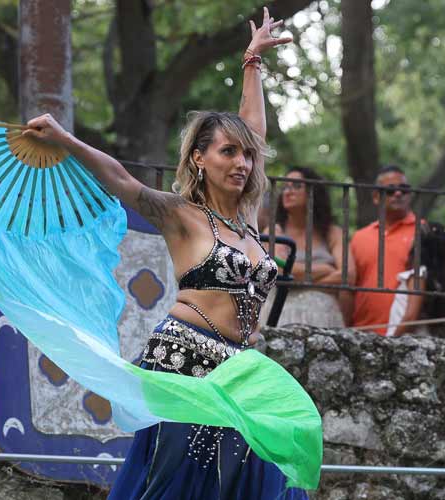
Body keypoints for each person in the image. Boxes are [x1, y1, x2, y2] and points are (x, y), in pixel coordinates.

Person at [24, 9, 308, 499]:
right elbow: (120, 179)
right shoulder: (181, 215)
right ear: (199, 158)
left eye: (245, 155)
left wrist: (252, 63)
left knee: (255, 475)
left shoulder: (248, 216)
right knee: (176, 481)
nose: (242, 162)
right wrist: (65, 140)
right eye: (227, 152)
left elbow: (255, 132)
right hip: (184, 358)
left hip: (240, 367)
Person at [342, 165, 416, 334]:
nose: (398, 193)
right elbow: (348, 288)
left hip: (407, 334)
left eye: (404, 189)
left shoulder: (423, 232)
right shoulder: (359, 237)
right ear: (376, 197)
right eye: (390, 190)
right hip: (361, 331)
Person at [267, 166, 345, 327]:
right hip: (281, 312)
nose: (288, 192)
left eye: (296, 186)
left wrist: (297, 282)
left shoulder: (332, 232)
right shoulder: (274, 231)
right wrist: (326, 269)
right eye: (285, 187)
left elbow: (347, 275)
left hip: (323, 315)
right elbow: (280, 270)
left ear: (313, 193)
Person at [387, 221, 445, 337]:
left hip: (405, 341)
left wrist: (391, 341)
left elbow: (410, 317)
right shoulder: (438, 278)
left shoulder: (418, 276)